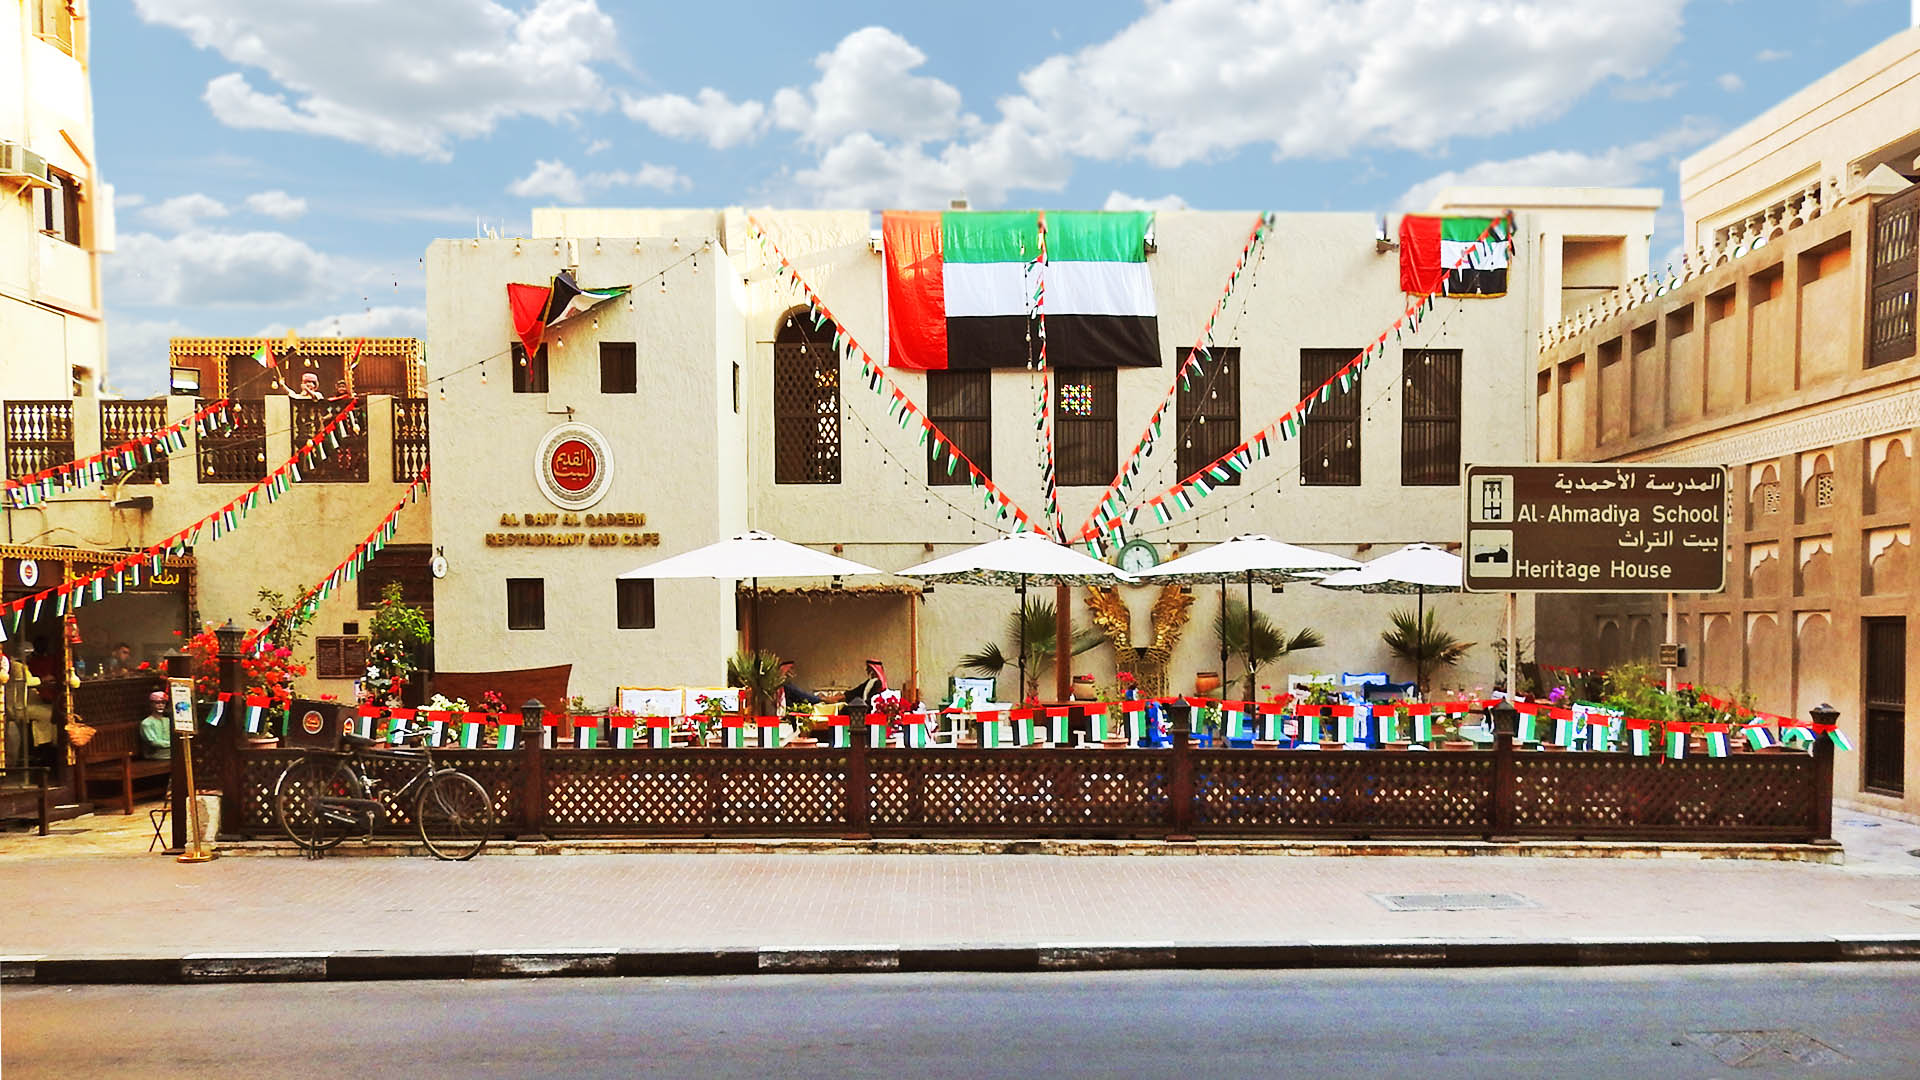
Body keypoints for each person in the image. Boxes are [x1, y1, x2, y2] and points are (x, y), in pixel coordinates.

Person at [138, 690, 172, 760]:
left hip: (171, 752)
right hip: (156, 754)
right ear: (151, 704)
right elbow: (154, 742)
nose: (161, 705)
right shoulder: (146, 723)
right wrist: (172, 744)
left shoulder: (167, 720)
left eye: (163, 703)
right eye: (157, 703)